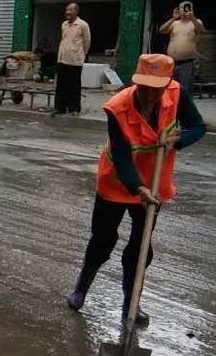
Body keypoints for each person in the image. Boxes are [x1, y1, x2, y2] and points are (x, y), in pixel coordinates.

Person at [66, 54, 205, 326]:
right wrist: (137, 187)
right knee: (103, 241)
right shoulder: (117, 108)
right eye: (145, 88)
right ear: (135, 82)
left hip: (154, 183)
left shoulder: (178, 94)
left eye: (157, 89)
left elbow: (198, 126)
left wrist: (180, 139)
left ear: (167, 85)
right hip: (118, 180)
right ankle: (81, 287)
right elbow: (121, 155)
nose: (150, 95)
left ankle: (131, 303)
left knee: (142, 247)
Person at [159, 2, 205, 95]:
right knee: (170, 88)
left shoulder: (196, 22)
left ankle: (185, 109)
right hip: (171, 63)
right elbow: (162, 30)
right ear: (178, 10)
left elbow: (201, 30)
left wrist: (192, 17)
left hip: (187, 63)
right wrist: (173, 18)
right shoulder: (175, 23)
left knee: (185, 90)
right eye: (182, 8)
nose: (184, 11)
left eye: (187, 8)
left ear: (191, 9)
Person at [54, 2, 91, 115]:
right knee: (61, 86)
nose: (67, 12)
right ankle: (60, 108)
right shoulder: (64, 24)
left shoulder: (83, 25)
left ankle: (74, 109)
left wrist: (81, 55)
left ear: (76, 11)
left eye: (70, 10)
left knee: (74, 86)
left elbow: (87, 42)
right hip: (62, 59)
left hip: (75, 61)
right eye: (66, 10)